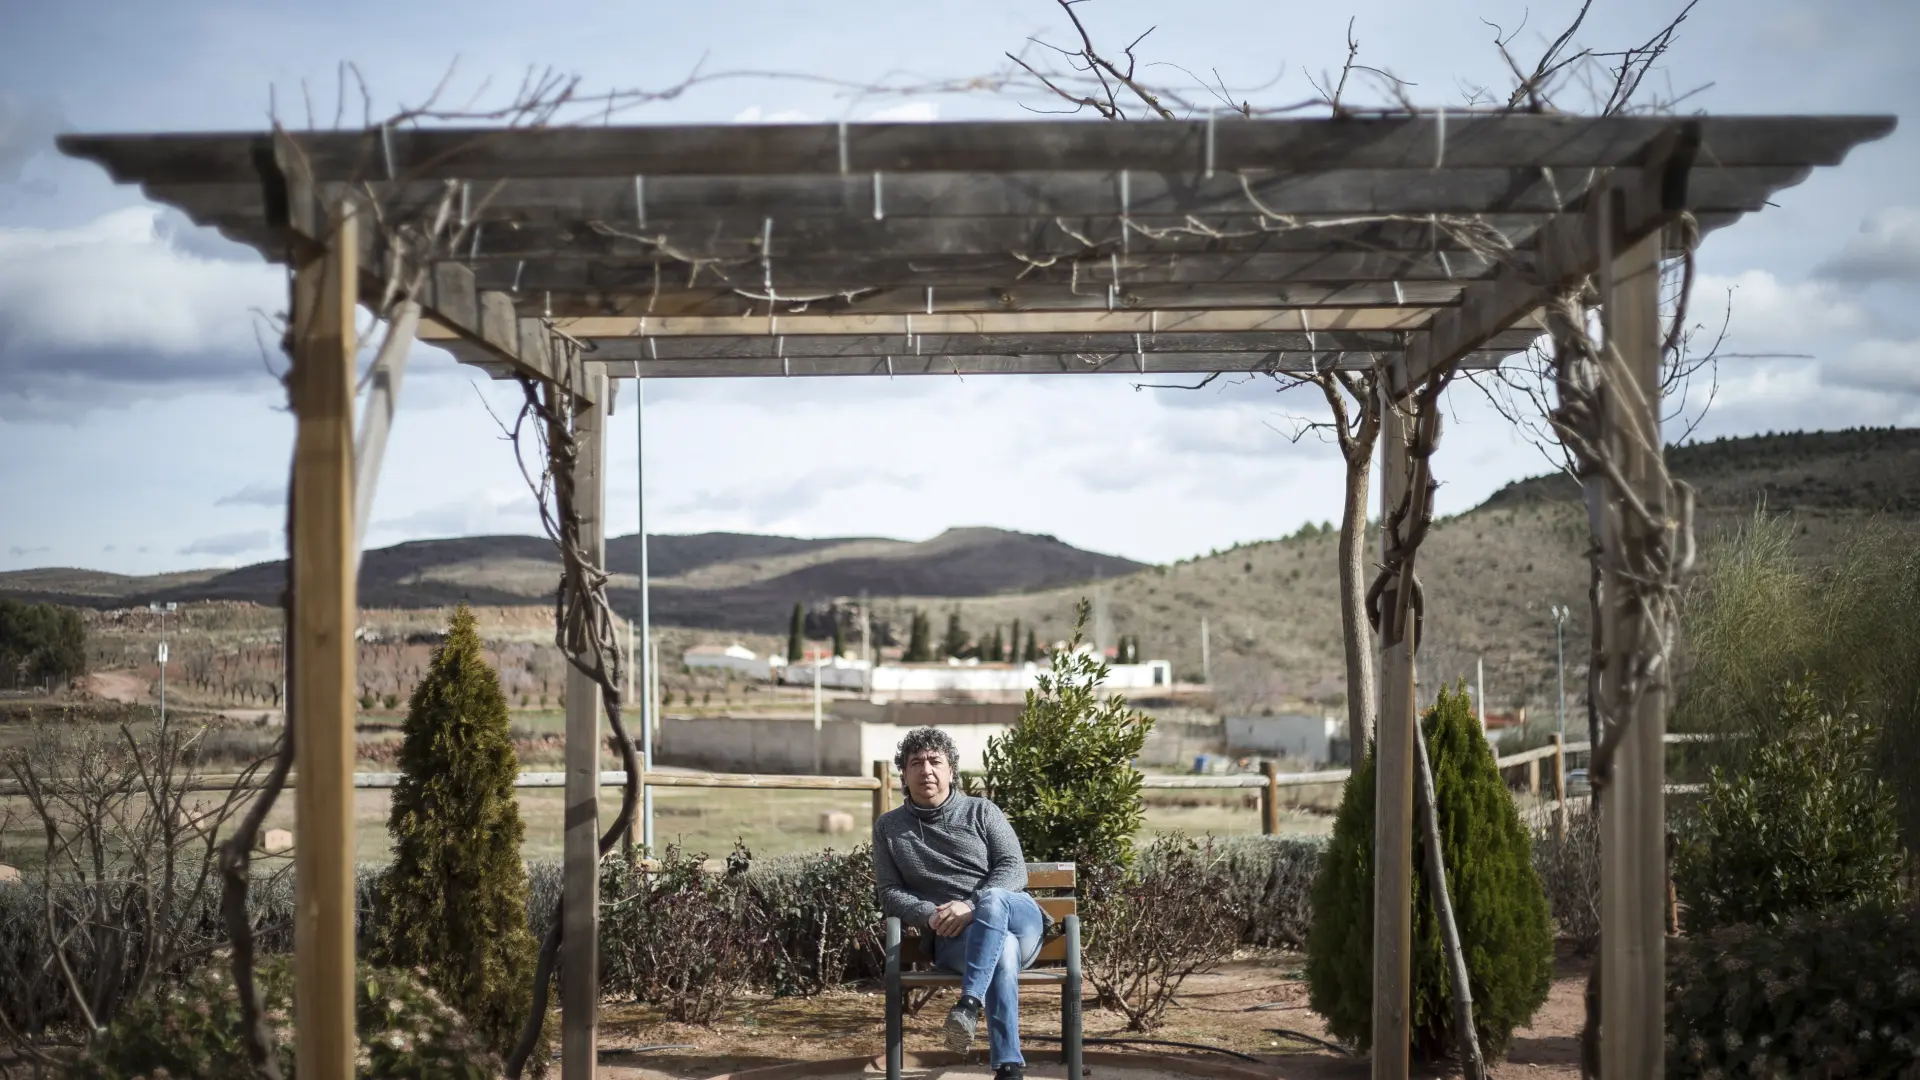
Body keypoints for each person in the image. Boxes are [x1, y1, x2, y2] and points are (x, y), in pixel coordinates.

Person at [872, 727, 1043, 1080]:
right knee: (1002, 950)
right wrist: (931, 915)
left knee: (994, 900)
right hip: (955, 938)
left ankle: (968, 1003)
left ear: (951, 770)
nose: (926, 770)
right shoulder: (889, 828)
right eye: (916, 762)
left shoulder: (982, 811)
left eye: (935, 761)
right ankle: (1009, 1067)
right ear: (903, 773)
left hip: (1017, 918)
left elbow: (1014, 869)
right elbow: (889, 892)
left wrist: (970, 905)